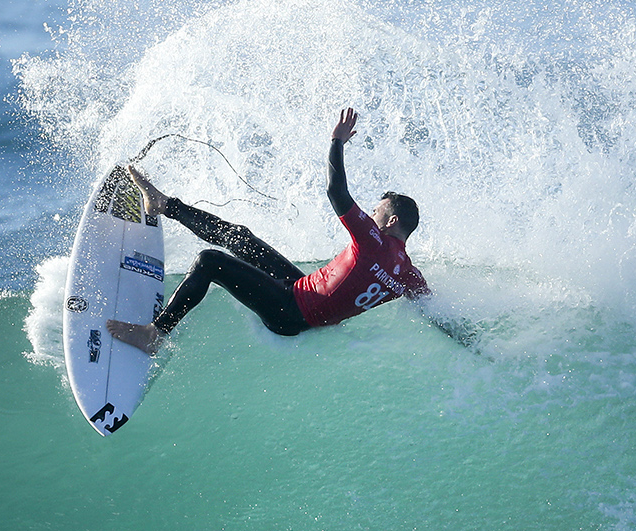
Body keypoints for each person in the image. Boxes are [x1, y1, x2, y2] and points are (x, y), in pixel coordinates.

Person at [106, 108, 463, 354]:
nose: (371, 212)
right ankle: (164, 205)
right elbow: (438, 315)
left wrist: (336, 142)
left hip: (290, 313)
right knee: (240, 238)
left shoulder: (373, 241)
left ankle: (155, 334)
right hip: (300, 292)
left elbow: (336, 192)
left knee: (208, 261)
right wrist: (476, 343)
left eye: (377, 210)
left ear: (391, 221)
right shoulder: (407, 274)